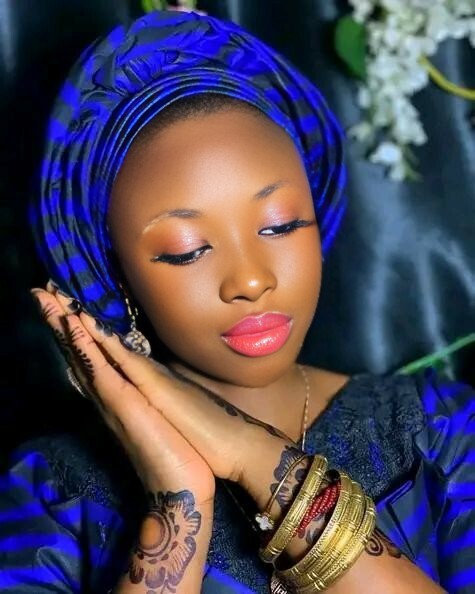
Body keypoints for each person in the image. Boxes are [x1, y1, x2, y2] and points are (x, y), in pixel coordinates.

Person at [0, 9, 473, 594]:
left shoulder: (442, 432)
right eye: (187, 250)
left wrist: (256, 456)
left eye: (280, 226)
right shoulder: (51, 496)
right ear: (116, 273)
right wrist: (177, 500)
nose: (249, 280)